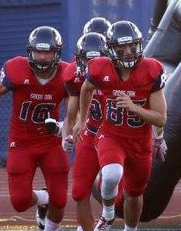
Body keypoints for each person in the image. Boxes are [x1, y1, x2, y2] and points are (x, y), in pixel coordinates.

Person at [0, 26, 73, 231]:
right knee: (20, 201)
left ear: (56, 52)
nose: (41, 57)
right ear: (30, 51)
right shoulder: (17, 68)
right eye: (38, 51)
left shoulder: (67, 73)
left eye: (46, 51)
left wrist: (62, 128)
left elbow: (73, 113)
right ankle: (42, 199)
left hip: (51, 142)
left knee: (60, 199)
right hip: (22, 141)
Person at [80, 21, 168, 231]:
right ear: (111, 49)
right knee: (111, 174)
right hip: (111, 135)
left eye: (132, 46)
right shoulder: (100, 67)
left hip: (140, 141)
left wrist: (134, 108)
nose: (128, 52)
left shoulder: (152, 69)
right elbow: (86, 89)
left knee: (134, 194)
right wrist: (81, 120)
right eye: (122, 48)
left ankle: (130, 229)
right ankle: (108, 214)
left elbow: (161, 118)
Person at [64, 32, 110, 231]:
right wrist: (68, 133)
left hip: (115, 135)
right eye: (86, 60)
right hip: (89, 134)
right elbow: (71, 110)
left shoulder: (119, 73)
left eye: (96, 59)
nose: (91, 65)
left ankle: (109, 216)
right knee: (79, 191)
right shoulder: (73, 76)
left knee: (120, 195)